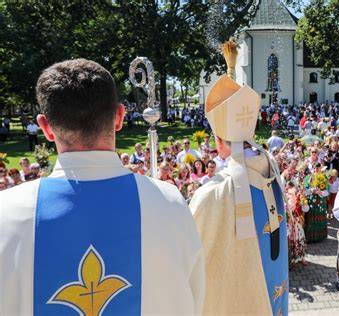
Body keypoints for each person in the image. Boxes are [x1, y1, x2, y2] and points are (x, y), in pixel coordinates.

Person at [0, 59, 204, 315]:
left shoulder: (5, 213)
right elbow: (195, 301)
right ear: (119, 117)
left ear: (45, 128)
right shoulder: (170, 203)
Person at [190, 45, 288, 316]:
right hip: (274, 294)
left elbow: (187, 257)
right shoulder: (272, 168)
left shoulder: (214, 193)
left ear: (219, 140)